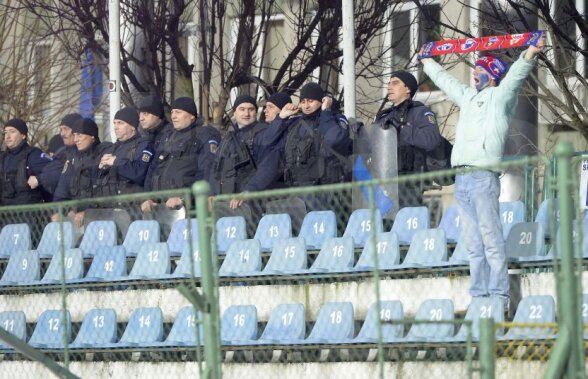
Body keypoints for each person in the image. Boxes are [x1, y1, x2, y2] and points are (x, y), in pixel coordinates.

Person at [420, 37, 545, 306]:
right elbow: (447, 82)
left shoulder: (500, 97)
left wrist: (531, 52)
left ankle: (499, 295)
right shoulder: (467, 97)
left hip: (484, 176)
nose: (475, 75)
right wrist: (427, 61)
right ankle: (479, 296)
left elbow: (514, 77)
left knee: (490, 239)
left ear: (492, 75)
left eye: (480, 72)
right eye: (474, 71)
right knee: (473, 244)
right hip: (462, 178)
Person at [141, 97, 220, 213]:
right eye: (172, 112)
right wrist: (147, 197)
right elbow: (153, 169)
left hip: (188, 208)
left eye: (178, 112)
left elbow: (205, 172)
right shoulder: (168, 137)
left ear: (191, 116)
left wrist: (184, 197)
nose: (173, 116)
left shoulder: (204, 135)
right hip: (159, 206)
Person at [374, 71, 442, 206]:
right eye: (388, 83)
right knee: (385, 225)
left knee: (405, 222)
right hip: (384, 182)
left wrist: (402, 129)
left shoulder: (420, 112)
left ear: (408, 89)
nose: (389, 87)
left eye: (395, 83)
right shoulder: (384, 116)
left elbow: (432, 140)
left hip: (409, 183)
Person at [268, 82, 351, 188]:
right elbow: (267, 142)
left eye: (311, 101)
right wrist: (281, 118)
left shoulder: (333, 119)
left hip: (326, 188)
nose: (306, 106)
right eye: (303, 102)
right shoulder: (295, 124)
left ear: (322, 101)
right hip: (296, 187)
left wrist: (326, 111)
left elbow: (334, 140)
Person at [211, 94, 279, 209]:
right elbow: (216, 167)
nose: (246, 114)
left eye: (251, 109)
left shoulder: (264, 133)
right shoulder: (228, 138)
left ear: (256, 112)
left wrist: (248, 192)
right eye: (242, 109)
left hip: (251, 203)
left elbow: (268, 168)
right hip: (224, 202)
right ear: (235, 112)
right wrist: (212, 193)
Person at [53, 118, 112, 227]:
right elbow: (63, 187)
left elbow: (103, 189)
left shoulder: (105, 152)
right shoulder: (73, 157)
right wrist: (59, 211)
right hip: (76, 216)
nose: (76, 139)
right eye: (74, 135)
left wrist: (88, 212)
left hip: (100, 215)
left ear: (92, 136)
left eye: (79, 135)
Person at [96, 107, 153, 198]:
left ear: (133, 127)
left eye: (120, 123)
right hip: (109, 205)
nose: (116, 127)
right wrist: (100, 169)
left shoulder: (143, 145)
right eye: (114, 123)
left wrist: (116, 161)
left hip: (132, 205)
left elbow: (140, 173)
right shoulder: (112, 148)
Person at [29, 113, 82, 200]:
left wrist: (39, 179)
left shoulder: (79, 152)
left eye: (66, 129)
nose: (62, 133)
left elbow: (62, 173)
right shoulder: (62, 150)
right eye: (61, 129)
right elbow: (52, 167)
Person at [0, 118, 51, 205]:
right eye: (5, 132)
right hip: (5, 215)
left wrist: (39, 179)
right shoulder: (2, 157)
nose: (7, 136)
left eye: (12, 132)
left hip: (26, 214)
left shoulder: (33, 155)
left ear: (23, 135)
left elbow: (54, 171)